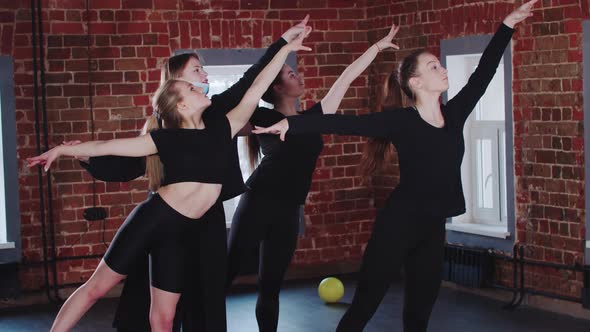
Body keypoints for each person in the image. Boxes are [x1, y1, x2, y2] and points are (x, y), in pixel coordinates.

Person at [253, 2, 536, 331]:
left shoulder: (454, 114)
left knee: (419, 314)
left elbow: (484, 74)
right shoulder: (401, 122)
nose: (442, 69)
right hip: (397, 227)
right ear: (415, 83)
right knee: (364, 308)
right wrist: (293, 126)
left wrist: (507, 25)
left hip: (431, 228)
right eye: (433, 67)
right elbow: (348, 124)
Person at [27, 29, 312, 332]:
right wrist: (63, 151)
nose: (200, 84)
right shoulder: (164, 138)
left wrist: (285, 46)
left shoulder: (223, 125)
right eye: (191, 85)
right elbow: (107, 147)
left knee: (162, 317)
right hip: (155, 219)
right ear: (181, 105)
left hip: (184, 232)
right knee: (96, 288)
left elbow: (255, 85)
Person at [226, 24, 400, 332]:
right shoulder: (262, 118)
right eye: (290, 75)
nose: (298, 76)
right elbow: (221, 123)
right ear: (278, 87)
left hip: (288, 211)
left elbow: (346, 78)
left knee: (270, 287)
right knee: (226, 274)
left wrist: (376, 48)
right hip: (257, 203)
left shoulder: (314, 118)